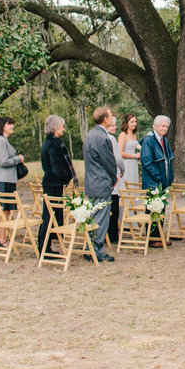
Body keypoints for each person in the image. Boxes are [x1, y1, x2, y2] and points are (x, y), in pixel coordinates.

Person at [83, 107, 122, 262]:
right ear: (105, 119)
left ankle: (89, 248)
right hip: (101, 182)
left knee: (92, 217)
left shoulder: (90, 135)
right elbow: (109, 161)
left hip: (91, 182)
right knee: (101, 218)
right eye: (111, 116)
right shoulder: (102, 137)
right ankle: (96, 251)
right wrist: (114, 178)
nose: (112, 119)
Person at [38, 115, 77, 255]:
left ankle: (46, 246)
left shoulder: (52, 142)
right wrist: (66, 176)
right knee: (49, 216)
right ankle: (44, 247)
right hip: (53, 183)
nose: (64, 129)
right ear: (55, 128)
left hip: (53, 183)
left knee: (51, 215)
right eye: (62, 126)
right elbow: (56, 167)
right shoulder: (52, 144)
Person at [0, 117, 25, 247]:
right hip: (1, 180)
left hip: (5, 179)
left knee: (3, 210)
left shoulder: (4, 141)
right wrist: (18, 159)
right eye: (10, 124)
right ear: (3, 125)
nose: (12, 127)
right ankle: (1, 239)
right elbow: (3, 161)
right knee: (2, 210)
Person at [140, 115, 175, 247]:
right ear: (155, 126)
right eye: (162, 126)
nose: (165, 128)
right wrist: (158, 177)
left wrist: (169, 179)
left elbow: (168, 160)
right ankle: (152, 238)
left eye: (166, 126)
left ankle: (159, 236)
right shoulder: (149, 140)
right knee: (153, 210)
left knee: (161, 209)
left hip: (163, 184)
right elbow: (146, 162)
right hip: (154, 182)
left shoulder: (164, 140)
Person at [114, 114, 141, 244]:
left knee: (134, 191)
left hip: (134, 165)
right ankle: (123, 222)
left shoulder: (134, 136)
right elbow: (119, 153)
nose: (134, 124)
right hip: (126, 164)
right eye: (131, 121)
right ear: (126, 122)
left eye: (135, 121)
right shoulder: (122, 135)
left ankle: (134, 222)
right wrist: (133, 155)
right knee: (125, 191)